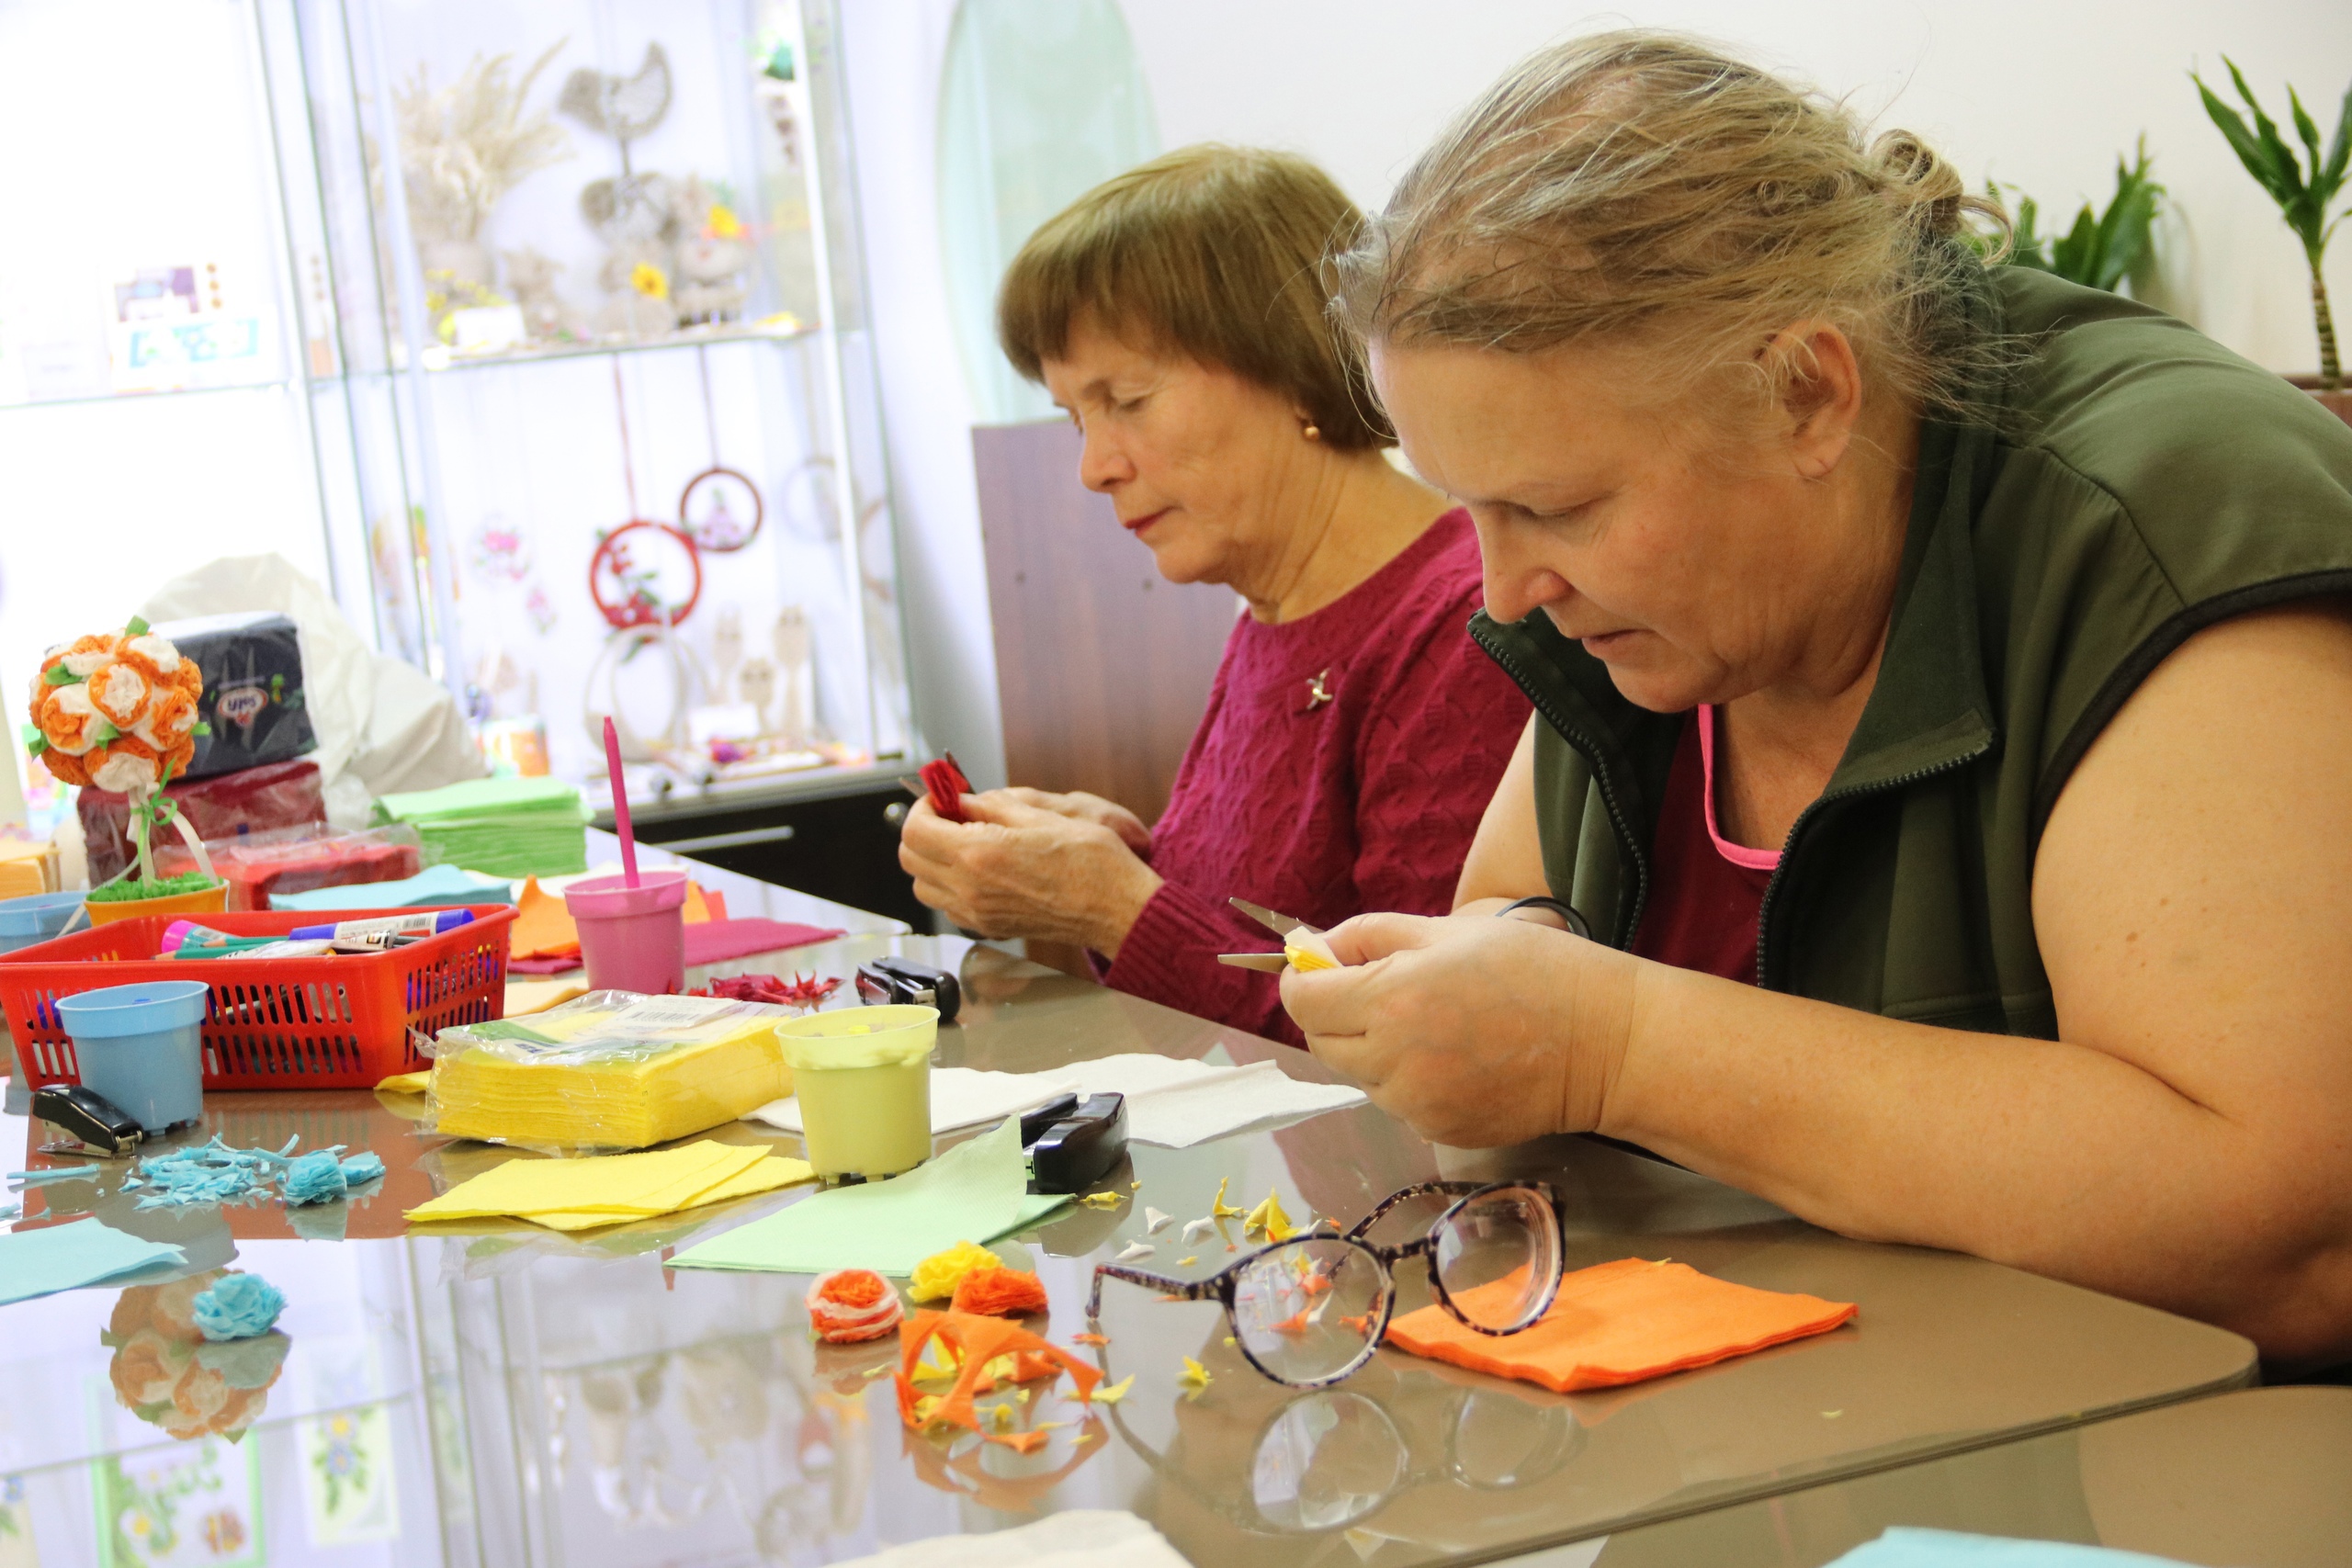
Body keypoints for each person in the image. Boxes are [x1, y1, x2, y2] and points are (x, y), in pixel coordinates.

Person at [1283, 33, 2352, 1365]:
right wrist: (1482, 1002)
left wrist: (1614, 1045)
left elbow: (2290, 1234)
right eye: (1471, 509)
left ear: (1805, 393)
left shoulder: (2161, 532)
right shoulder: (1655, 606)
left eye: (1557, 507)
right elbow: (1517, 904)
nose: (1504, 593)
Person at [899, 146, 1530, 1043]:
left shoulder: (1465, 626)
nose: (1092, 467)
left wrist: (1115, 907)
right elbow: (1275, 929)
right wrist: (1119, 862)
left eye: (1128, 400)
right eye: (1076, 419)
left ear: (1289, 364)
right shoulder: (1276, 610)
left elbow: (1409, 1037)